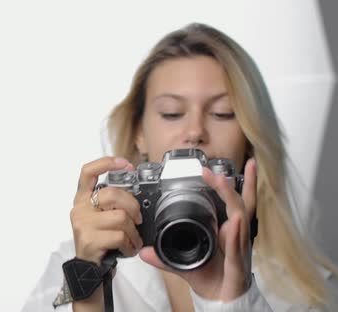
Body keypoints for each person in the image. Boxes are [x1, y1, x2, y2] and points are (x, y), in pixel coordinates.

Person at [22, 23, 338, 311]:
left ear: (250, 140)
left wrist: (230, 300)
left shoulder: (306, 293)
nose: (194, 131)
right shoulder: (79, 259)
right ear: (139, 133)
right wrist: (89, 286)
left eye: (223, 113)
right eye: (172, 113)